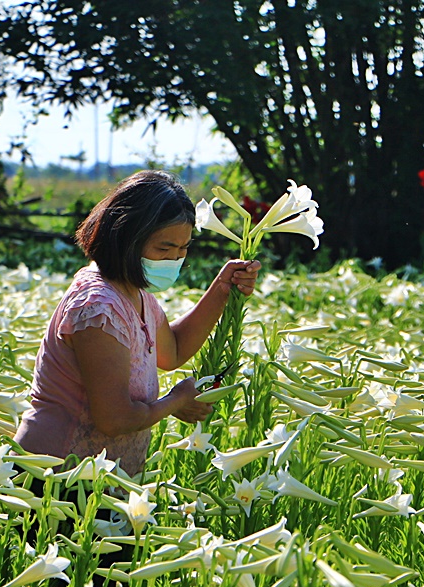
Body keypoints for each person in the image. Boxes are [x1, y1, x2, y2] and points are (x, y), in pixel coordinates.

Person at [14, 170, 260, 478]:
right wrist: (175, 401)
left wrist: (223, 288)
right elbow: (115, 419)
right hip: (53, 477)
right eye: (164, 248)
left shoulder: (135, 294)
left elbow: (173, 351)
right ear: (126, 237)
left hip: (97, 481)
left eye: (183, 250)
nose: (173, 260)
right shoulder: (97, 307)